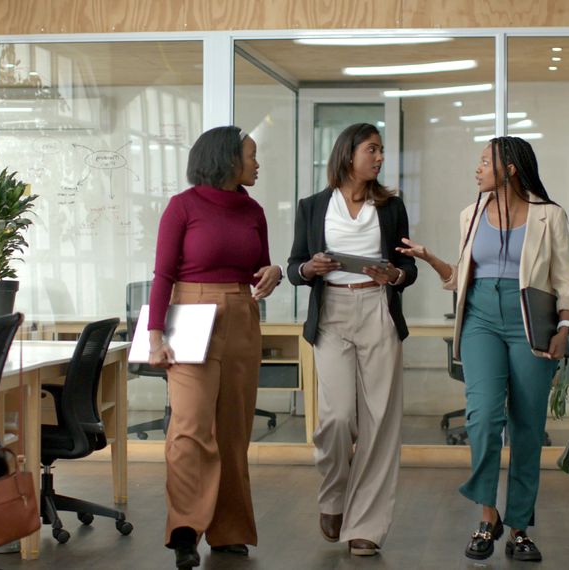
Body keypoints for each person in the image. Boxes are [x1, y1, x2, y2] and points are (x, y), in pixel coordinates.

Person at [397, 135, 569, 562]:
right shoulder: (471, 213)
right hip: (480, 318)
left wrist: (565, 326)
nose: (476, 169)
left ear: (510, 169)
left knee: (527, 426)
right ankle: (487, 516)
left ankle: (519, 529)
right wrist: (430, 258)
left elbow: (565, 280)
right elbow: (462, 275)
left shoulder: (548, 216)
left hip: (530, 323)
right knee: (481, 418)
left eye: (484, 162)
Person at [148, 125, 282, 569]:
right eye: (251, 156)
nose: (257, 164)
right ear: (227, 159)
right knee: (189, 427)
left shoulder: (253, 210)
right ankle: (184, 529)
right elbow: (163, 275)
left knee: (233, 430)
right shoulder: (182, 207)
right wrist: (154, 334)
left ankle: (229, 532)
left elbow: (259, 265)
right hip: (190, 314)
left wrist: (274, 272)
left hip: (242, 313)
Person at [286, 122, 417, 557]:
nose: (379, 158)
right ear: (348, 155)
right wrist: (310, 269)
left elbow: (408, 269)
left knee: (380, 421)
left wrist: (394, 274)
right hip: (332, 313)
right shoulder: (312, 207)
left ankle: (366, 525)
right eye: (372, 150)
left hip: (377, 306)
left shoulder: (391, 206)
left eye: (380, 151)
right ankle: (333, 497)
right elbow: (293, 266)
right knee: (337, 416)